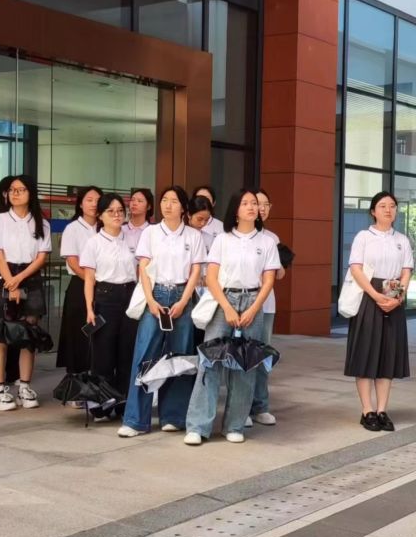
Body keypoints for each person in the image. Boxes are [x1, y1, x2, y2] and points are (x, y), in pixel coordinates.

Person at [187, 188, 279, 446]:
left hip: (253, 301)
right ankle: (198, 426)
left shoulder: (266, 242)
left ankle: (235, 425)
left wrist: (253, 309)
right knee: (210, 361)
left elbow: (268, 280)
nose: (252, 207)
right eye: (246, 203)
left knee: (246, 364)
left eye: (254, 203)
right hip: (223, 299)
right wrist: (227, 307)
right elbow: (211, 277)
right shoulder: (223, 240)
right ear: (235, 210)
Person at [118, 186, 203, 437]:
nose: (168, 205)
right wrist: (151, 300)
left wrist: (184, 301)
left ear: (183, 207)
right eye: (165, 200)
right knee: (145, 354)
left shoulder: (193, 236)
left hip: (182, 296)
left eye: (174, 201)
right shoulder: (151, 233)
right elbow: (144, 268)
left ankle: (173, 416)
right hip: (155, 295)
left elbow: (196, 272)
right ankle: (135, 420)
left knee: (179, 357)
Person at [344, 191, 413, 433]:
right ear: (373, 211)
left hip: (393, 295)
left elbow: (406, 271)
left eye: (392, 206)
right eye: (382, 206)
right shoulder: (364, 237)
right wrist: (375, 295)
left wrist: (398, 297)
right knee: (365, 353)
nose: (388, 210)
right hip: (368, 295)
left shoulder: (402, 240)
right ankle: (367, 410)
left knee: (387, 355)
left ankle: (382, 410)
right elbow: (356, 269)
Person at [0, 175, 50, 412]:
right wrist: (10, 281)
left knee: (28, 334)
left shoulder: (41, 223)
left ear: (31, 193)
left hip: (29, 277)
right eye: (12, 190)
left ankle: (24, 386)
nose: (15, 193)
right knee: (1, 334)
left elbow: (41, 257)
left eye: (21, 190)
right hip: (3, 274)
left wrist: (19, 279)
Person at [78, 194, 138, 422]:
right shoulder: (93, 243)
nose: (116, 215)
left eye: (120, 210)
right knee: (103, 353)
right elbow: (89, 279)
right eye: (110, 211)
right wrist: (89, 308)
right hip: (105, 297)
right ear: (100, 215)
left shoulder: (132, 239)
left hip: (130, 296)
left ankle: (122, 402)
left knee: (126, 352)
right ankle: (100, 405)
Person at [56, 186, 103, 379]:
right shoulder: (73, 228)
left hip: (105, 286)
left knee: (100, 333)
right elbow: (72, 262)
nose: (94, 204)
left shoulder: (105, 227)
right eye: (89, 200)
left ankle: (98, 376)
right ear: (81, 204)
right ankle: (76, 378)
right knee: (78, 332)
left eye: (98, 200)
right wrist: (91, 281)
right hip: (80, 283)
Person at [246, 188, 282, 427]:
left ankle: (260, 405)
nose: (260, 208)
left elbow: (279, 274)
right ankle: (241, 408)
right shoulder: (235, 236)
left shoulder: (272, 239)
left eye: (265, 204)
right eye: (255, 203)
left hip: (266, 305)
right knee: (242, 355)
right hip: (240, 303)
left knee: (261, 356)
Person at [121, 188, 155, 252]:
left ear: (148, 206)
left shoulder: (153, 232)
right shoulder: (121, 229)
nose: (134, 203)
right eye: (132, 200)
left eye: (139, 201)